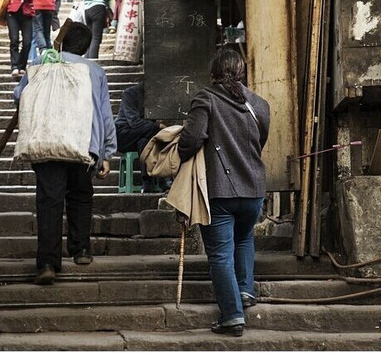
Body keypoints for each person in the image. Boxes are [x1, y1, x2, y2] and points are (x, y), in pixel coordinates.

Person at [14, 22, 117, 285]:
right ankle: (81, 249)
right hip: (84, 145)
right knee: (80, 196)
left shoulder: (43, 62)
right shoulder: (94, 71)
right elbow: (105, 114)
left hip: (47, 141)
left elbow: (19, 95)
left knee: (49, 201)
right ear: (85, 47)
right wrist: (107, 152)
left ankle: (48, 262)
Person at [177, 49, 270, 337]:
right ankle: (244, 292)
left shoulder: (206, 98)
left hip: (220, 190)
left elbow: (191, 139)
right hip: (253, 188)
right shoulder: (259, 104)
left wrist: (181, 152)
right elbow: (259, 141)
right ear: (242, 72)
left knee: (219, 254)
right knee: (244, 239)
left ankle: (231, 316)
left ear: (213, 73)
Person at [115, 82, 166, 192]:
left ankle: (146, 182)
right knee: (154, 130)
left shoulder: (156, 96)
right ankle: (164, 179)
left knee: (144, 142)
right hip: (124, 134)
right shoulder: (130, 93)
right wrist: (158, 125)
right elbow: (134, 122)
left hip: (143, 136)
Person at [4, 0, 39, 78]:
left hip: (27, 13)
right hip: (12, 13)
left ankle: (22, 65)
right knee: (14, 40)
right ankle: (14, 66)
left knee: (27, 41)